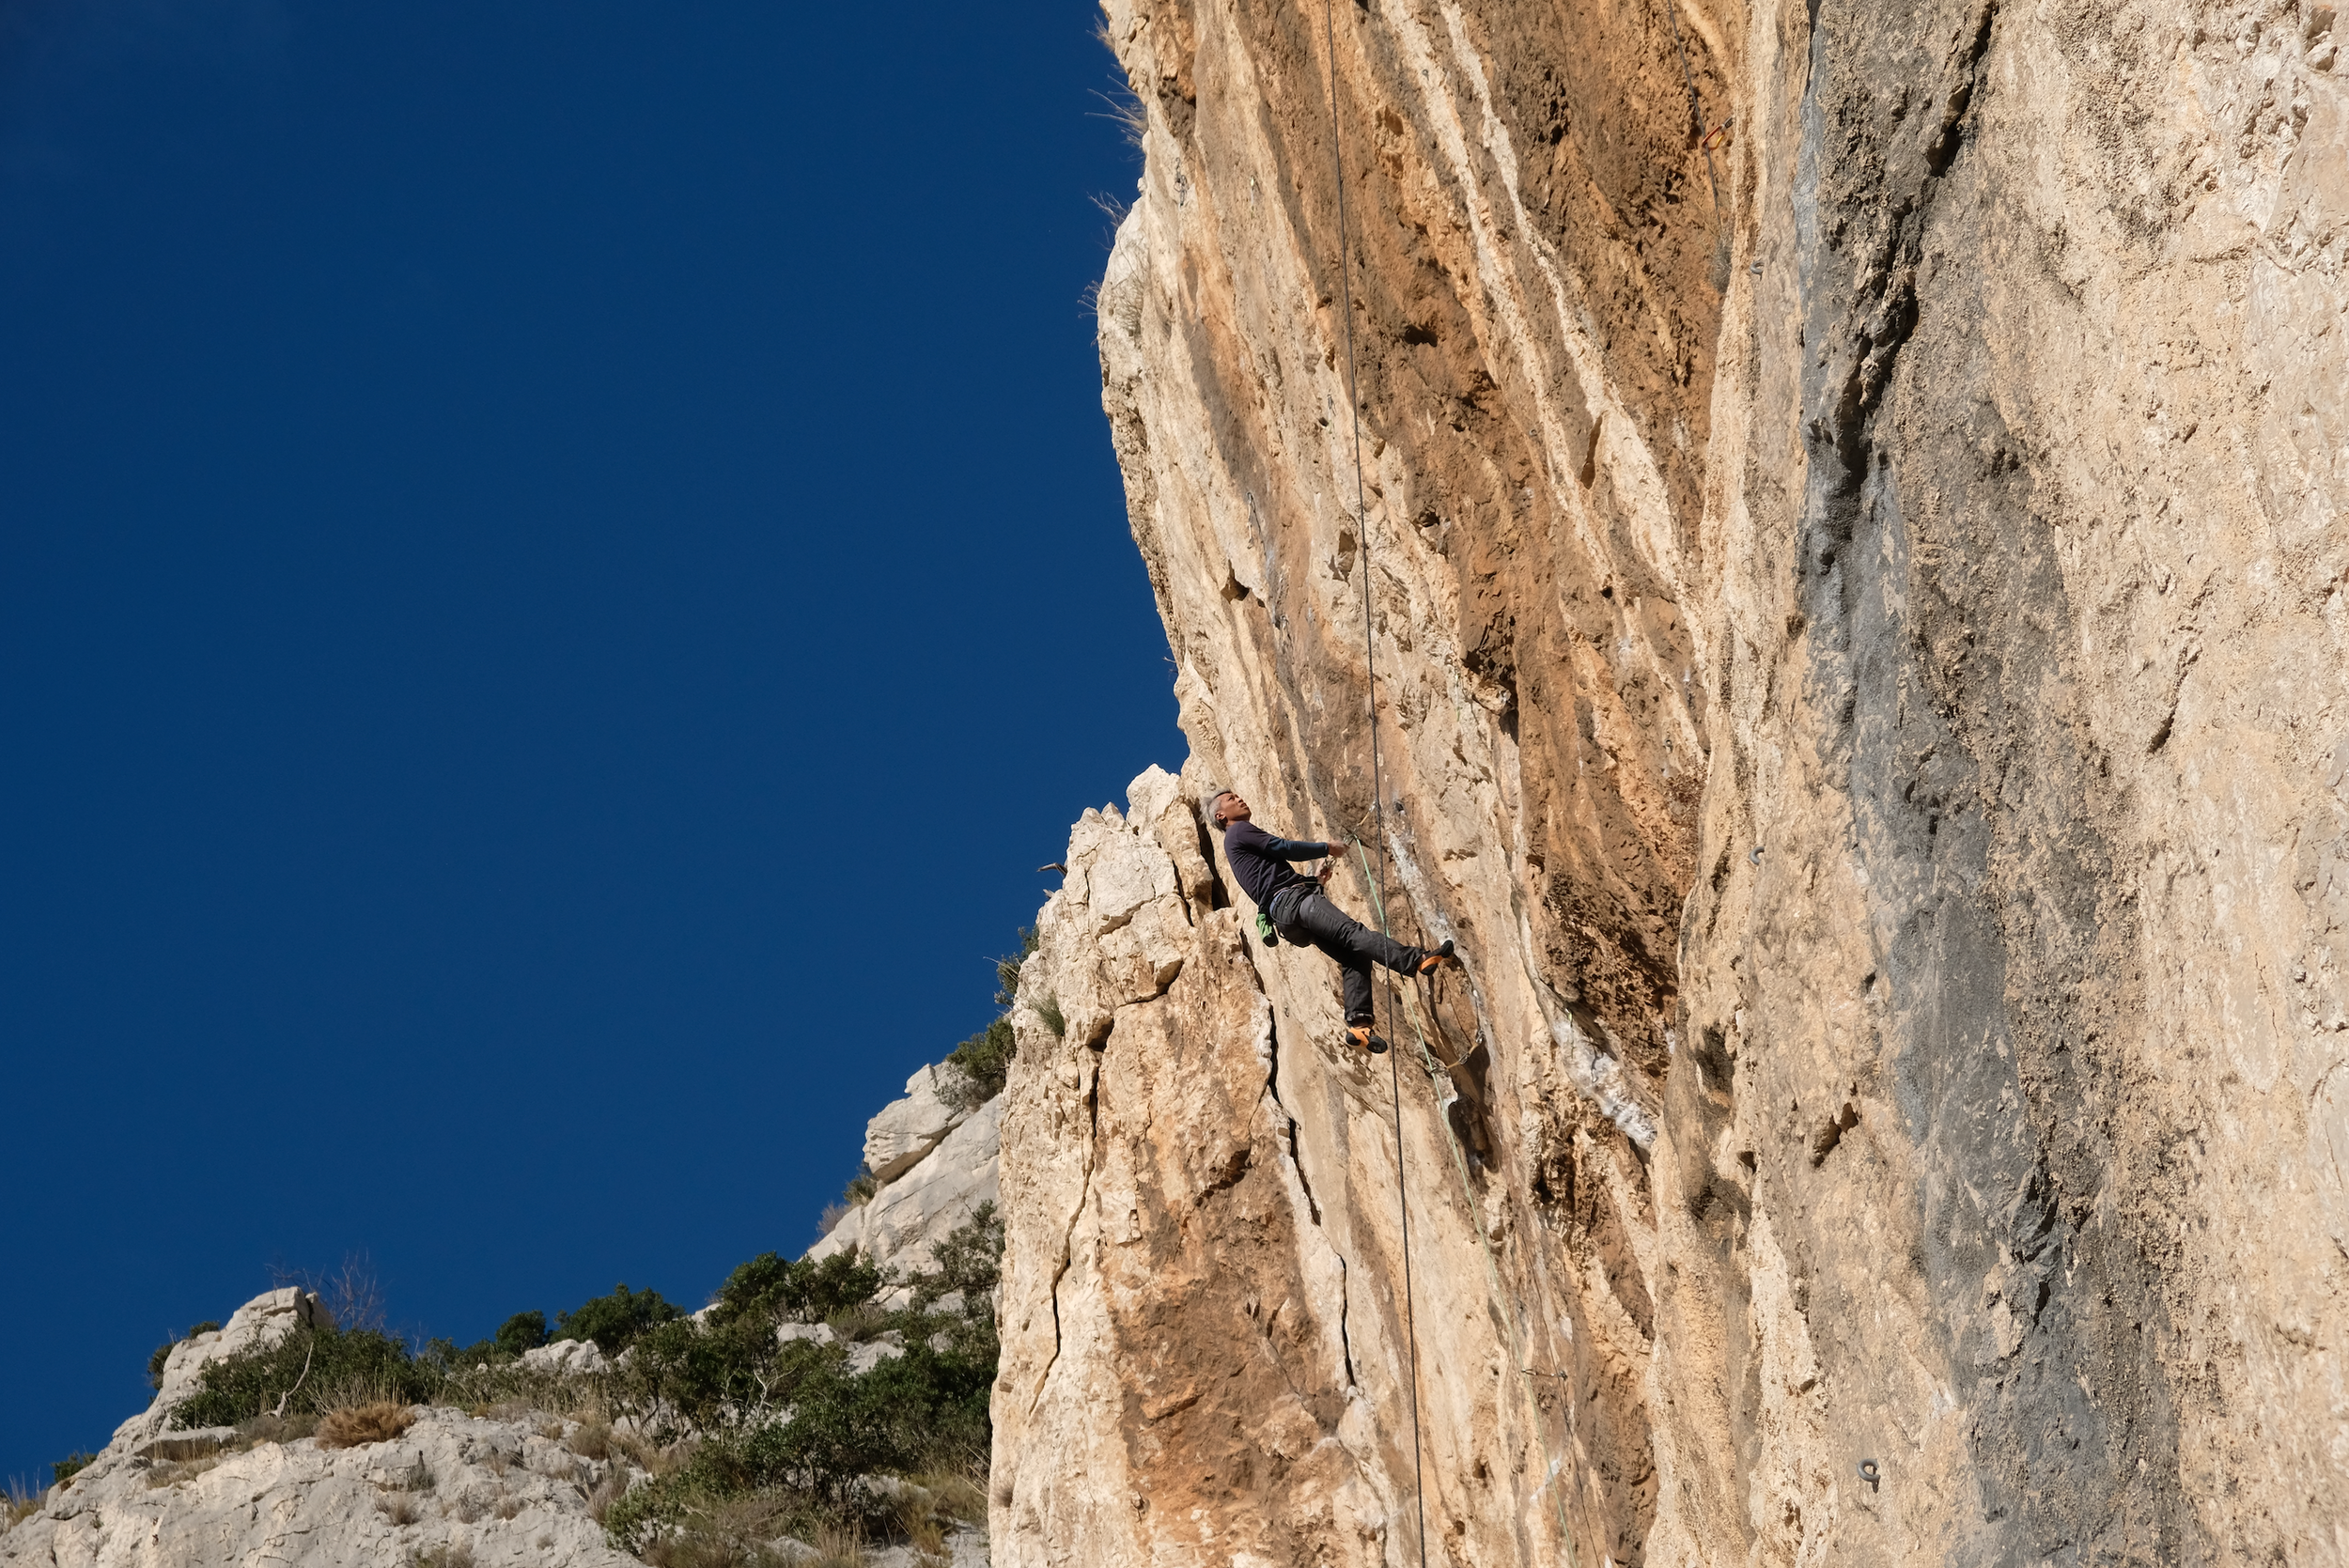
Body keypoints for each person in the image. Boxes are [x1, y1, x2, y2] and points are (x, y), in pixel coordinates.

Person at [1206, 787, 1459, 1053]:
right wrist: (1326, 847)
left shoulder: (1234, 845)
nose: (1240, 798)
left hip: (1287, 918)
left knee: (1353, 955)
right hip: (1295, 903)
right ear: (1222, 816)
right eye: (1231, 799)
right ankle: (1416, 960)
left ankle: (1359, 1025)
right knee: (1354, 933)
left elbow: (1269, 882)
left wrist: (1315, 882)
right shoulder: (1238, 831)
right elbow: (1282, 847)